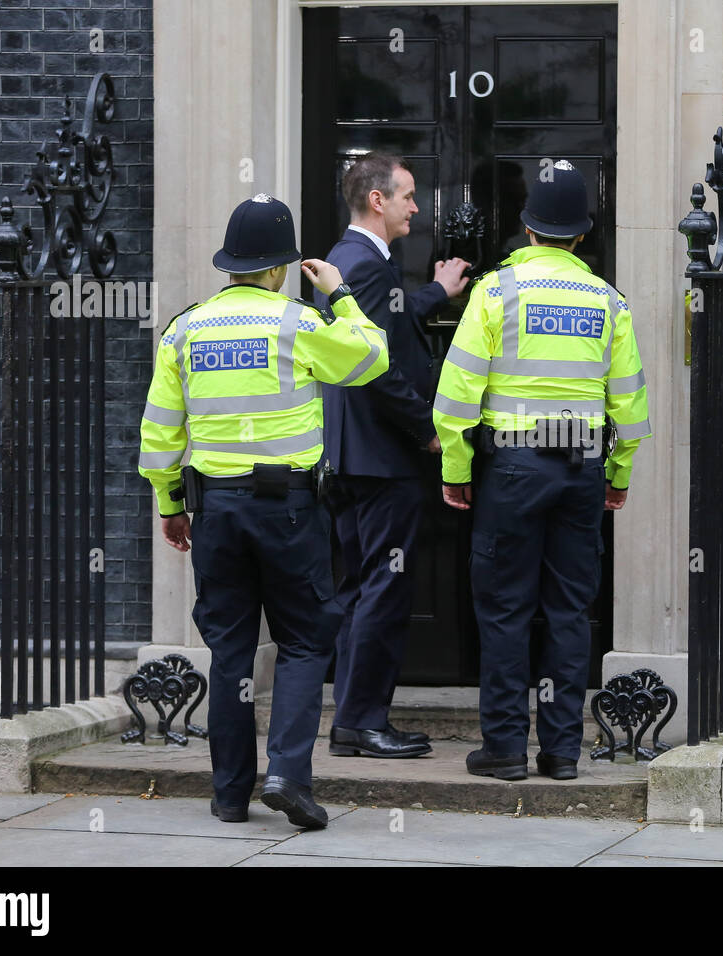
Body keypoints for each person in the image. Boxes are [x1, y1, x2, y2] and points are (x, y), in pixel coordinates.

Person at [138, 193, 389, 828]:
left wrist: (171, 504)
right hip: (290, 510)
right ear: (280, 267)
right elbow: (371, 356)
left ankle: (228, 795)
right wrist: (338, 292)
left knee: (229, 653)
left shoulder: (185, 328)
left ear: (230, 265)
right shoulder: (298, 324)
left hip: (215, 510)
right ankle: (286, 775)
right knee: (304, 642)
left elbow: (160, 434)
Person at [432, 160, 651, 781]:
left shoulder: (495, 292)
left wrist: (456, 465)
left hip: (513, 466)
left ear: (528, 229)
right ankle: (561, 751)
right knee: (567, 608)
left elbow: (455, 396)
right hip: (581, 467)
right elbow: (630, 403)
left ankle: (503, 748)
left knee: (503, 608)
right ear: (580, 235)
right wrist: (620, 473)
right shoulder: (608, 301)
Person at [314, 152, 471, 758]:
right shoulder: (367, 266)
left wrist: (433, 293)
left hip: (351, 458)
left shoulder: (350, 260)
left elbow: (382, 329)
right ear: (377, 200)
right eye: (407, 195)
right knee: (383, 589)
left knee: (361, 588)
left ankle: (353, 722)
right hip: (383, 457)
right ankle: (363, 723)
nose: (415, 206)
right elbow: (374, 369)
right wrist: (427, 430)